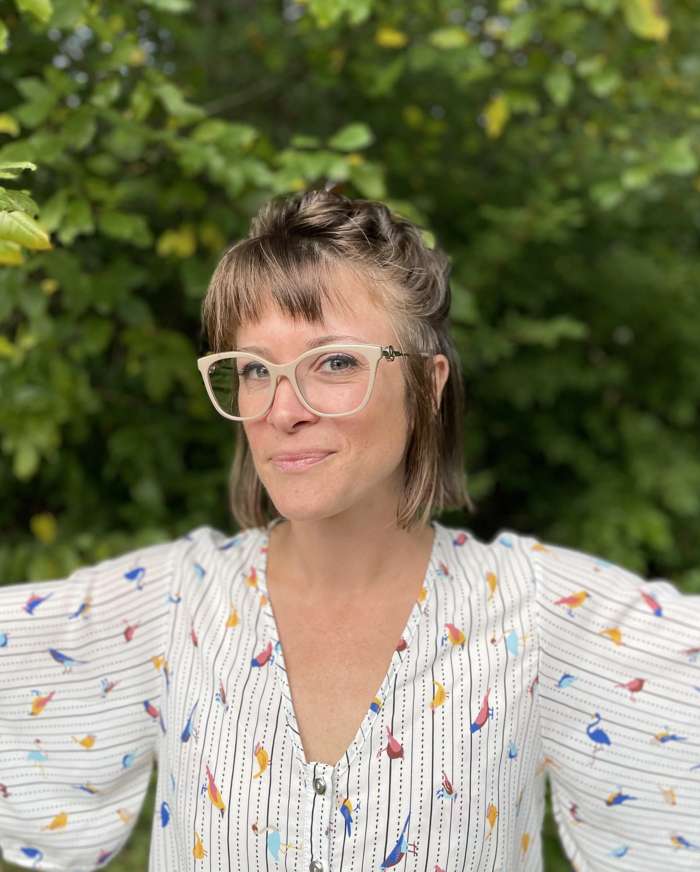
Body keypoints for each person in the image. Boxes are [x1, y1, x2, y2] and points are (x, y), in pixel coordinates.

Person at [1, 191, 699, 872]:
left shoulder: (543, 615)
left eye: (334, 361)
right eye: (255, 369)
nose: (283, 410)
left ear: (427, 385)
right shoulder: (168, 605)